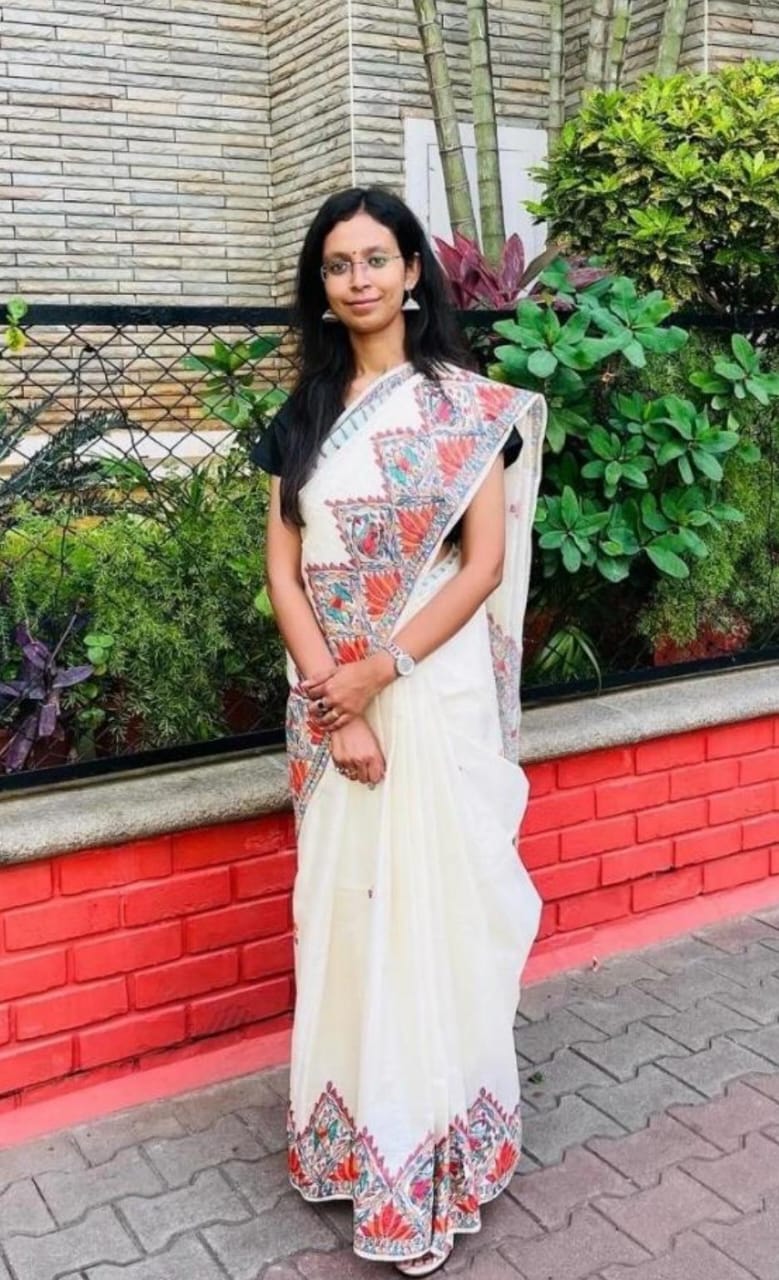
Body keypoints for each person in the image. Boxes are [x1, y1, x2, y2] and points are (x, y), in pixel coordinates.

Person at [252, 186, 546, 1276]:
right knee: (344, 917)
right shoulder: (301, 416)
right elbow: (283, 573)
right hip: (331, 699)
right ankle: (351, 1135)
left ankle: (430, 1156)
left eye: (376, 258)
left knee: (433, 916)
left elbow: (481, 566)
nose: (359, 279)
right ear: (322, 287)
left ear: (413, 272)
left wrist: (380, 673)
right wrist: (334, 699)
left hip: (427, 693)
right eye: (338, 265)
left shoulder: (468, 411)